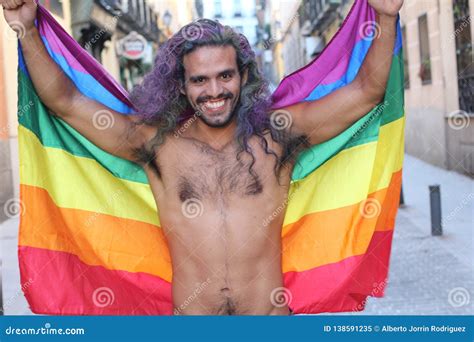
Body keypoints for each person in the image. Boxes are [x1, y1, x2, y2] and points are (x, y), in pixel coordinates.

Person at [1, 0, 403, 315]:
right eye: (200, 79)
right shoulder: (156, 144)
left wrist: (384, 17)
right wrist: (27, 29)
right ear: (181, 86)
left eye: (225, 76)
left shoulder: (278, 136)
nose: (214, 90)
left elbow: (367, 92)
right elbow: (65, 102)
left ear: (243, 77)